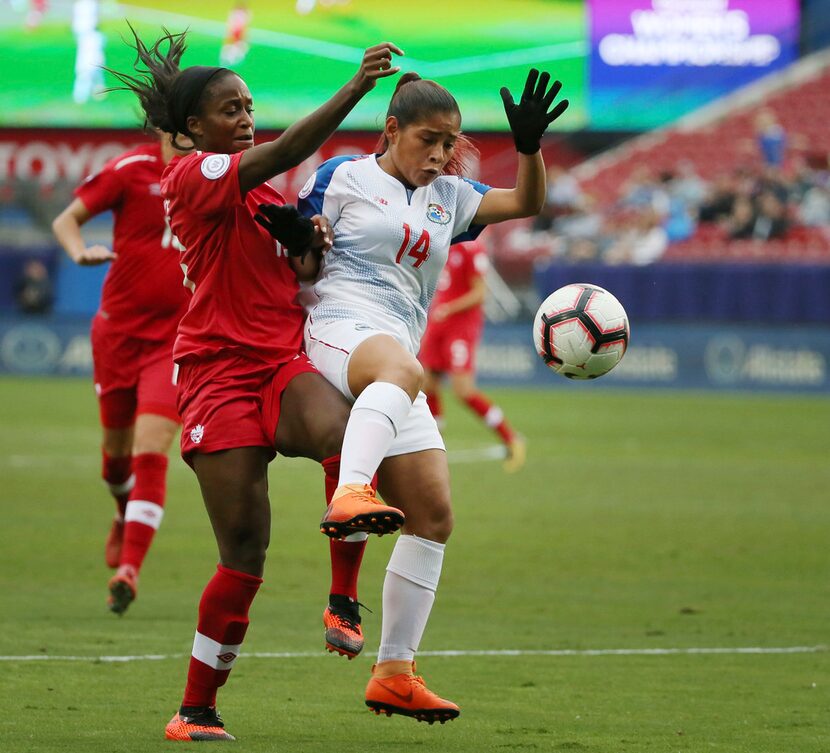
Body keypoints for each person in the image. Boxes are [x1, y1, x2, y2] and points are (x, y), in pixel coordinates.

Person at [107, 26, 406, 741]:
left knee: (345, 435)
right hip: (215, 374)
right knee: (245, 549)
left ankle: (343, 599)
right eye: (229, 110)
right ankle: (196, 708)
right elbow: (287, 150)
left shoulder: (262, 189)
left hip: (278, 360)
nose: (245, 119)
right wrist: (356, 90)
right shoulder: (191, 176)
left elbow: (296, 275)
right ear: (191, 128)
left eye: (248, 106)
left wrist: (309, 247)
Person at [299, 68, 568, 722]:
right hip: (338, 326)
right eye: (428, 139)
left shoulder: (450, 195)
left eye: (450, 142)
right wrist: (304, 243)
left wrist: (528, 148)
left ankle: (395, 668)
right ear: (391, 130)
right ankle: (350, 492)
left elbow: (525, 203)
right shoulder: (342, 176)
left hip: (396, 356)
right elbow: (297, 251)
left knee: (434, 513)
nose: (441, 154)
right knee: (401, 370)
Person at [52, 130, 191, 615]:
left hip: (175, 340)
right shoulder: (131, 169)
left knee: (149, 450)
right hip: (117, 335)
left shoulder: (217, 173)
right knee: (115, 459)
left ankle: (129, 568)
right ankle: (121, 508)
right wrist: (78, 251)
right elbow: (67, 220)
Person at [418, 239, 525, 471]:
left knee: (463, 390)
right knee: (427, 384)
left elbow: (479, 293)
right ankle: (434, 445)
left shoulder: (472, 248)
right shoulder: (442, 241)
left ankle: (511, 438)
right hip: (438, 324)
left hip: (460, 328)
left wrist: (449, 308)